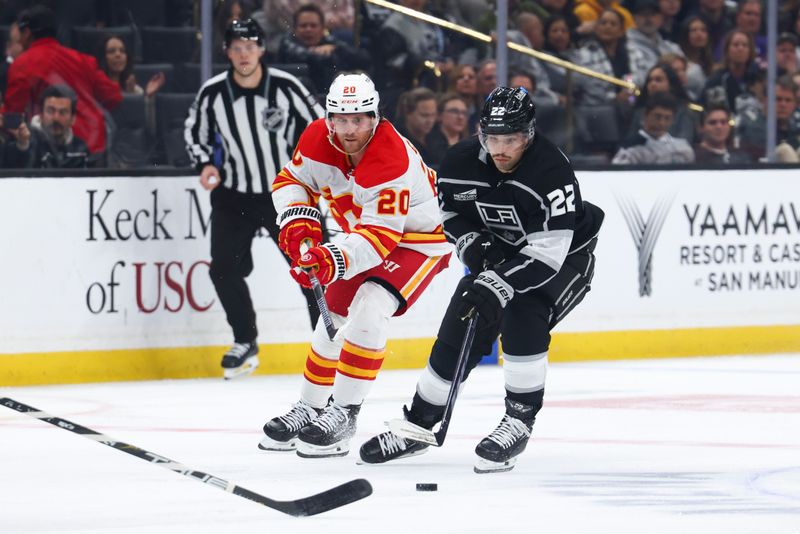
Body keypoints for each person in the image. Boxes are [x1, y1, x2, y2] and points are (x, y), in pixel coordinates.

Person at [359, 87, 604, 473]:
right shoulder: (459, 161)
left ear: (530, 134)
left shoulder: (551, 171)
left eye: (512, 139)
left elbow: (547, 255)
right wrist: (474, 245)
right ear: (480, 133)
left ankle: (519, 420)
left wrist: (499, 283)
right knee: (461, 320)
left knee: (524, 310)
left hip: (565, 260)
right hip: (503, 255)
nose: (501, 149)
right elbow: (450, 215)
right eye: (492, 139)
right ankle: (419, 424)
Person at [258, 72, 451, 458]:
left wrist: (330, 258)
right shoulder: (316, 137)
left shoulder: (390, 155)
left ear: (374, 116)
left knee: (371, 303)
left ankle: (343, 414)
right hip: (364, 236)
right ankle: (310, 408)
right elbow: (291, 181)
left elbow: (381, 238)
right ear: (329, 118)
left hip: (420, 240)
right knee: (333, 309)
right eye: (341, 119)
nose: (349, 129)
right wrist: (299, 221)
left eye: (359, 119)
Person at [184, 19, 323, 379]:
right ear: (227, 52)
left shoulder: (285, 86)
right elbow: (194, 132)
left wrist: (317, 172)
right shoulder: (213, 93)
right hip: (234, 195)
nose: (243, 54)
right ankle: (245, 340)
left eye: (250, 46)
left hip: (287, 193)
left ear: (261, 49)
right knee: (224, 269)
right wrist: (204, 164)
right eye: (236, 47)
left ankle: (327, 343)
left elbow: (320, 126)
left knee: (313, 268)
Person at [1, 5, 121, 157]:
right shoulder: (84, 60)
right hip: (96, 148)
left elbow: (13, 117)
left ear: (26, 33)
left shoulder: (23, 64)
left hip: (53, 150)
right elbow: (113, 96)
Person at [276, 3, 370, 94]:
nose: (308, 29)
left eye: (313, 25)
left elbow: (363, 59)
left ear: (322, 29)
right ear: (295, 29)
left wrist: (335, 49)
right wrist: (319, 53)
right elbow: (309, 59)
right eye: (303, 26)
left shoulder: (329, 41)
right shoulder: (287, 44)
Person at [3, 84, 89, 168]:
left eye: (62, 112)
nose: (56, 118)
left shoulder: (81, 149)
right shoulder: (26, 140)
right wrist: (22, 146)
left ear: (73, 118)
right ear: (40, 114)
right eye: (50, 111)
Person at [612, 91, 695, 164]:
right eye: (657, 117)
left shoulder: (683, 149)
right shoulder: (629, 148)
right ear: (645, 115)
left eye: (667, 118)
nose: (662, 123)